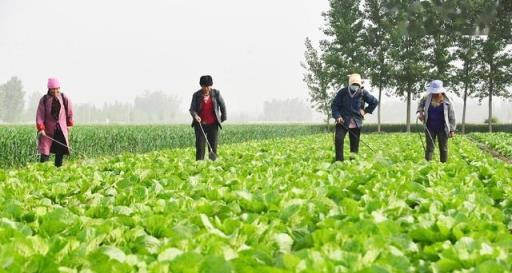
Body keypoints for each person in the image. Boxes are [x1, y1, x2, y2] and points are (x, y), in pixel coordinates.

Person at [331, 74, 379, 161]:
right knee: (338, 139)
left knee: (354, 144)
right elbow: (334, 106)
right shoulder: (342, 92)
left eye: (357, 85)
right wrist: (337, 116)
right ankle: (339, 161)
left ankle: (353, 162)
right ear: (349, 84)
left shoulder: (363, 93)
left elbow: (374, 102)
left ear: (360, 85)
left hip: (356, 122)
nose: (355, 86)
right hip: (342, 121)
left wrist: (365, 111)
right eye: (353, 85)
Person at [36, 78, 74, 167]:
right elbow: (40, 114)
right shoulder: (44, 100)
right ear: (49, 89)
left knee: (59, 151)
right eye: (53, 89)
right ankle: (42, 170)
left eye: (57, 88)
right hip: (47, 130)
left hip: (61, 129)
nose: (55, 91)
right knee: (45, 151)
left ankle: (58, 169)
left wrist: (69, 124)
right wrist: (41, 128)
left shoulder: (64, 98)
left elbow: (70, 111)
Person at [417, 80, 456, 163]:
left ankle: (443, 164)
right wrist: (421, 113)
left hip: (443, 128)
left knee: (444, 148)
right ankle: (428, 164)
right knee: (430, 147)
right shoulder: (427, 98)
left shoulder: (447, 101)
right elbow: (420, 104)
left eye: (437, 92)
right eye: (434, 92)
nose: (436, 93)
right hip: (430, 127)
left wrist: (452, 130)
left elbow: (452, 116)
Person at [189, 75, 226, 161]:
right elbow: (192, 109)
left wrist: (221, 119)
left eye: (208, 86)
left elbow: (223, 106)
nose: (206, 88)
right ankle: (199, 164)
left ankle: (213, 166)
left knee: (213, 147)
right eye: (204, 86)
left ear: (211, 85)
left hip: (213, 125)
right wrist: (196, 116)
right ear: (201, 86)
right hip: (200, 125)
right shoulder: (196, 95)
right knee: (200, 147)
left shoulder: (216, 93)